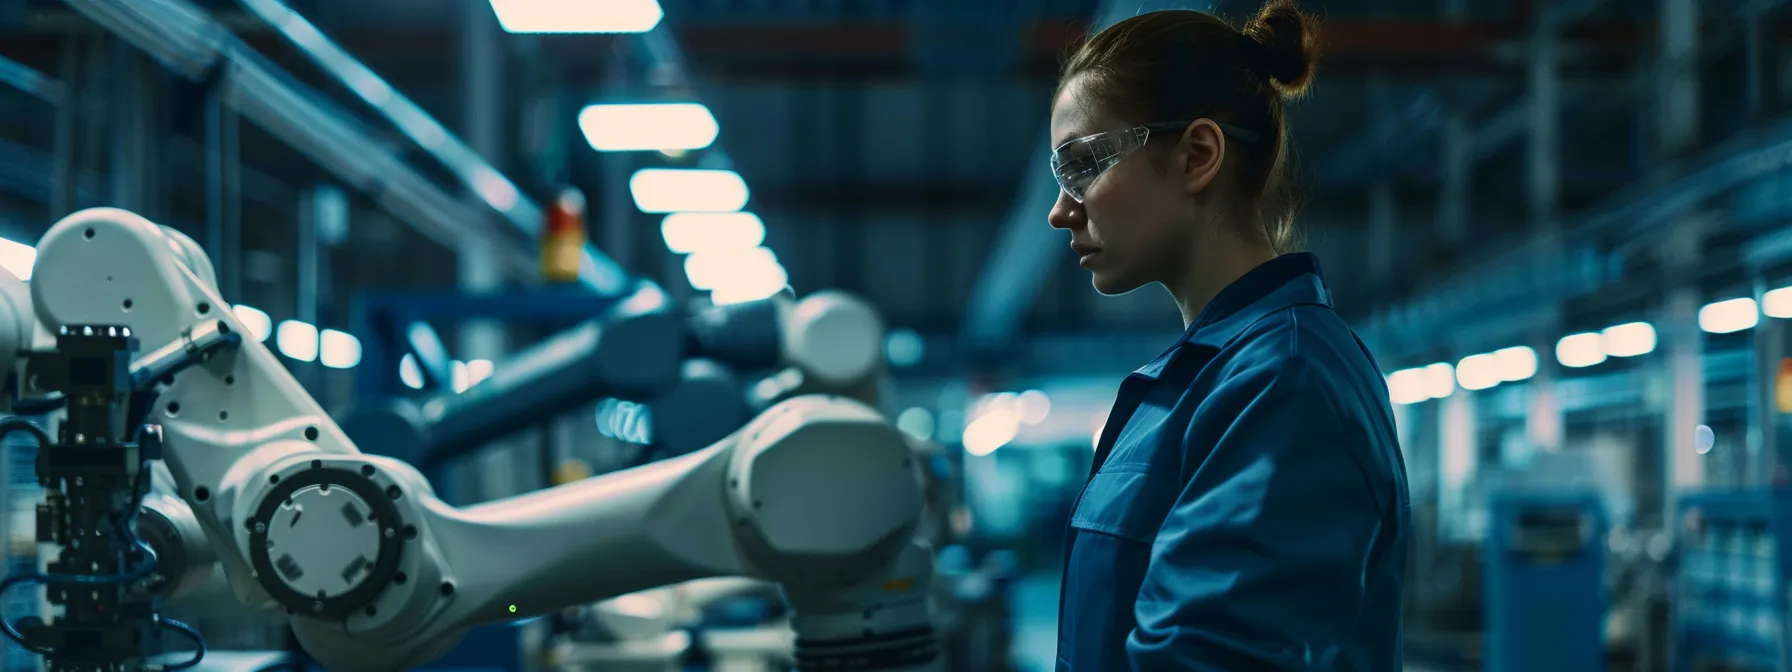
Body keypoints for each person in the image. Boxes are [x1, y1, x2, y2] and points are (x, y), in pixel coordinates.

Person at [1045, 2, 1411, 670]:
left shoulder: (1283, 385)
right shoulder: (1202, 382)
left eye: (1082, 165)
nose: (1060, 210)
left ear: (1197, 156)